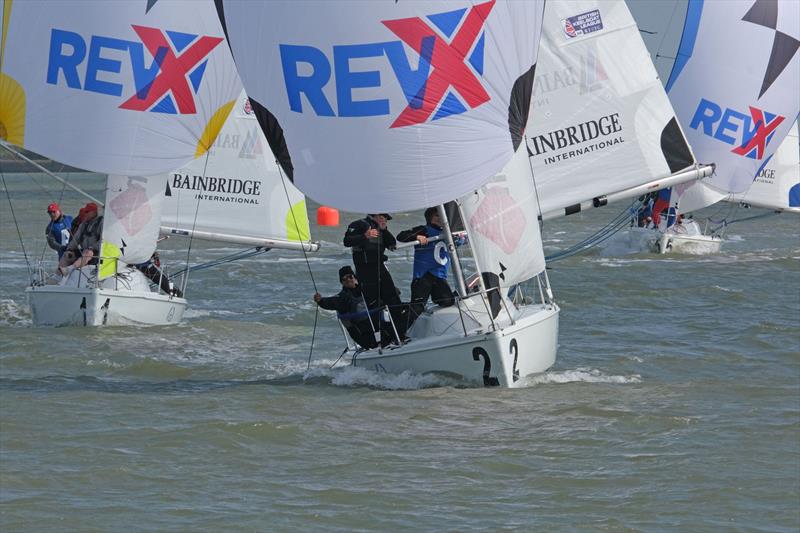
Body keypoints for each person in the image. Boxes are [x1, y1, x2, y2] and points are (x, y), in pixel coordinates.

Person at [343, 213, 406, 340]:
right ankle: (381, 339)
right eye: (383, 217)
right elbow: (347, 241)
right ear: (375, 215)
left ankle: (400, 335)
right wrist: (364, 236)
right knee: (374, 305)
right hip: (365, 271)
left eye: (386, 219)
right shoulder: (359, 224)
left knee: (394, 301)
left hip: (380, 269)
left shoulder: (382, 229)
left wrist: (384, 230)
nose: (385, 220)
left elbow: (392, 244)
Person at [397, 207, 457, 327]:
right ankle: (398, 333)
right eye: (436, 216)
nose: (440, 218)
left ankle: (435, 297)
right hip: (423, 277)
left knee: (448, 301)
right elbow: (401, 236)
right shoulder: (424, 230)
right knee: (417, 308)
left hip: (439, 277)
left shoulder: (447, 233)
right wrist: (416, 237)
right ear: (430, 219)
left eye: (441, 216)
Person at [313, 266, 378, 350]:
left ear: (354, 277)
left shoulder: (366, 289)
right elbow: (332, 302)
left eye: (350, 276)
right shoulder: (343, 297)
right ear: (342, 282)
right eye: (344, 279)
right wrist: (321, 301)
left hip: (377, 326)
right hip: (364, 335)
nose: (348, 280)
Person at [58, 202, 103, 275]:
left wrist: (92, 247)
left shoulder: (101, 222)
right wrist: (69, 249)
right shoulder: (83, 224)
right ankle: (57, 276)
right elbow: (76, 238)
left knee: (88, 252)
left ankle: (70, 269)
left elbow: (103, 241)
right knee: (67, 254)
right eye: (85, 211)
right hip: (84, 250)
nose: (85, 213)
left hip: (96, 252)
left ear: (94, 212)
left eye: (87, 211)